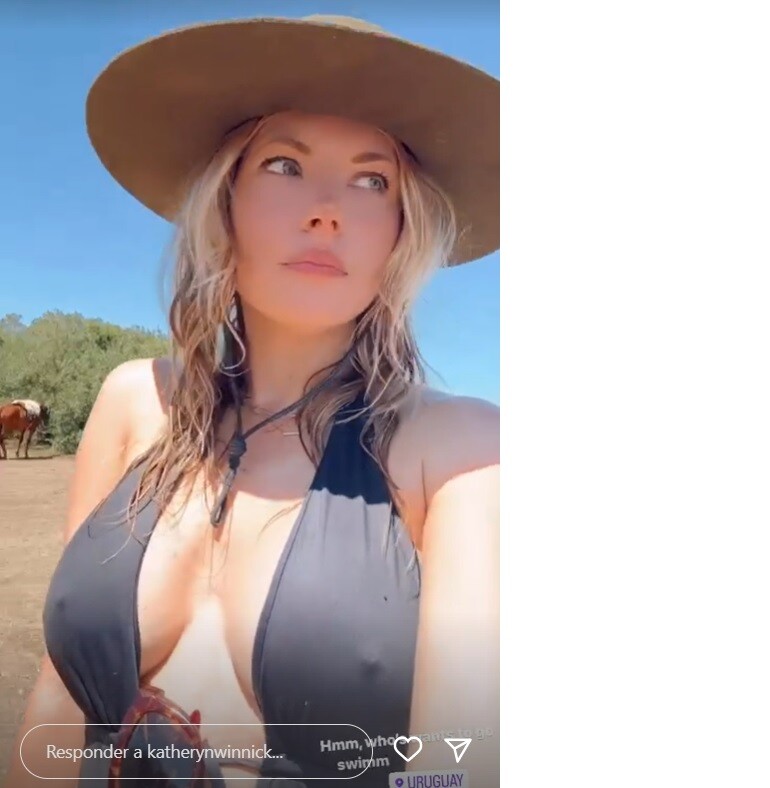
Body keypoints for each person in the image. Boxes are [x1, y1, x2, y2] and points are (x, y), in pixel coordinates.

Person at [4, 13, 499, 788]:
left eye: (373, 181)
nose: (327, 210)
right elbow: (59, 700)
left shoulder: (463, 449)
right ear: (224, 200)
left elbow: (462, 761)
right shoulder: (135, 400)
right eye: (284, 165)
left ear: (401, 231)